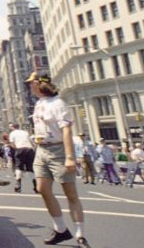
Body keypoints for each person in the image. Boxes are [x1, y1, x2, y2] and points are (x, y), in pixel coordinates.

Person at [28, 72, 89, 247]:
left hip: (59, 150)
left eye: (31, 83)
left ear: (40, 84)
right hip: (41, 150)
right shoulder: (39, 104)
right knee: (42, 188)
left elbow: (66, 130)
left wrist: (70, 157)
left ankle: (80, 234)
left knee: (70, 194)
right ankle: (61, 229)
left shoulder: (58, 103)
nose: (29, 86)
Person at [9, 122, 36, 193]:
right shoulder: (25, 132)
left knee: (19, 167)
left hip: (20, 149)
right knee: (30, 168)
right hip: (29, 149)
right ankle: (35, 185)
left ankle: (18, 184)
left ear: (12, 127)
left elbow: (12, 144)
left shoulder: (12, 133)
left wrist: (16, 150)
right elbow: (32, 142)